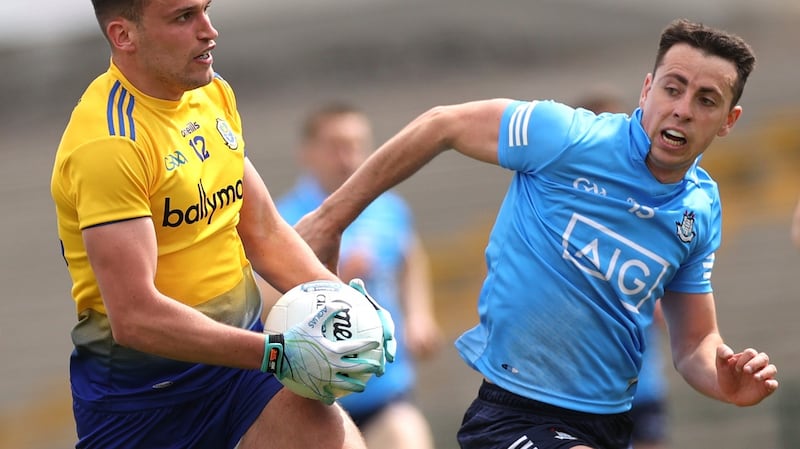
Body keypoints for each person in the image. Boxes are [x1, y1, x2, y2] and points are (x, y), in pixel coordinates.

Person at [294, 18, 780, 449]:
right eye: (673, 89)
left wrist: (725, 380)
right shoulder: (567, 137)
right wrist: (331, 217)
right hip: (513, 412)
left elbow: (694, 342)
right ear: (647, 89)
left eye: (706, 100)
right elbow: (441, 124)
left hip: (611, 423)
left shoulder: (700, 208)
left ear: (728, 122)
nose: (683, 109)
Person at [49, 1, 394, 448]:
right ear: (123, 36)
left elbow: (265, 232)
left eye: (206, 10)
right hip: (145, 401)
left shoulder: (211, 94)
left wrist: (348, 303)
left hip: (241, 375)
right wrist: (275, 352)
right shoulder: (110, 144)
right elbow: (135, 318)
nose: (209, 31)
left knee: (332, 437)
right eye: (183, 17)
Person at [260, 102, 442, 449]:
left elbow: (409, 257)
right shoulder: (282, 222)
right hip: (313, 396)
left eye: (358, 145)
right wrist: (329, 282)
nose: (348, 156)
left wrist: (419, 315)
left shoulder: (389, 209)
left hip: (385, 387)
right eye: (336, 146)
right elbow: (261, 302)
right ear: (307, 153)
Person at [573, 92, 670, 449]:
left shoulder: (651, 212)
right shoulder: (562, 213)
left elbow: (665, 308)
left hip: (640, 387)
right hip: (579, 393)